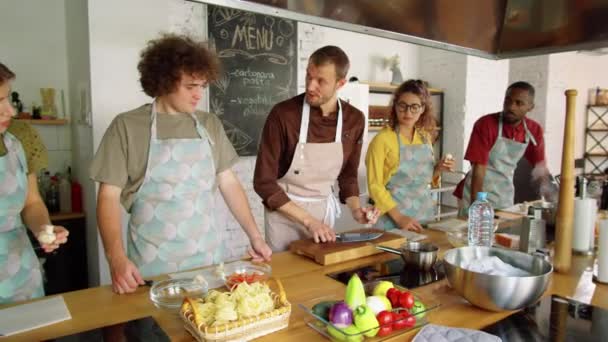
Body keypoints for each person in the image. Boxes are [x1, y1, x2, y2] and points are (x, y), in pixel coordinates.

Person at [90, 34, 271, 295]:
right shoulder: (127, 127)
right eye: (190, 86)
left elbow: (229, 183)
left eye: (202, 86)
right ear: (163, 81)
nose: (199, 95)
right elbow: (107, 197)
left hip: (209, 264)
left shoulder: (209, 125)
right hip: (152, 270)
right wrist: (116, 258)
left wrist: (254, 235)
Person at [254, 45, 379, 252]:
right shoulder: (283, 115)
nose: (311, 86)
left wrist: (357, 211)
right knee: (287, 280)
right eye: (308, 76)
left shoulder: (354, 120)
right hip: (284, 216)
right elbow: (263, 183)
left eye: (321, 81)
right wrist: (308, 221)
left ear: (340, 83)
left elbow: (348, 177)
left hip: (322, 218)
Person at [0, 62, 69, 304]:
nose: (10, 111)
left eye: (7, 98)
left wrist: (42, 229)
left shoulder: (20, 138)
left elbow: (31, 202)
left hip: (20, 274)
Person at [366, 80, 454, 232]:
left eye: (414, 107)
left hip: (424, 215)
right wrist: (399, 217)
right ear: (395, 106)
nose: (407, 113)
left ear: (423, 109)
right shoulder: (382, 140)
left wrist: (438, 169)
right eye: (402, 106)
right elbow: (375, 186)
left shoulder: (425, 137)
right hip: (392, 218)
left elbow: (422, 179)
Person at [454, 81, 549, 216]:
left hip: (504, 194)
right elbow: (478, 170)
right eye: (508, 101)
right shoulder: (486, 124)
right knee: (474, 233)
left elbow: (540, 168)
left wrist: (550, 197)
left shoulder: (534, 130)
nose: (511, 107)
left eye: (519, 103)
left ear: (530, 107)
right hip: (476, 191)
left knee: (502, 233)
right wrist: (477, 207)